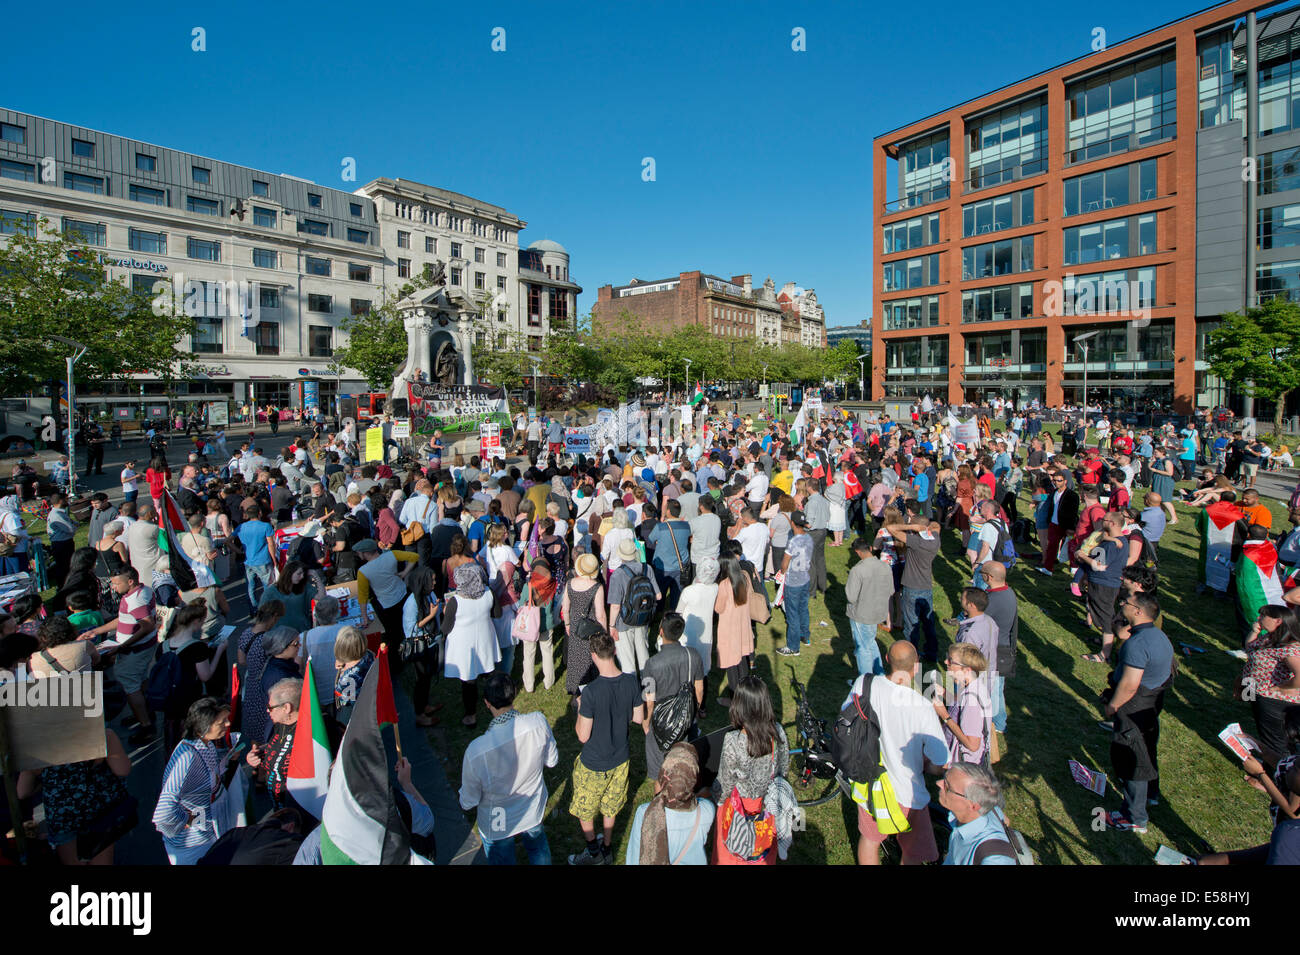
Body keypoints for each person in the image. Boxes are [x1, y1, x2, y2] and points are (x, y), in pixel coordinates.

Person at [843, 640, 948, 865]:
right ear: (916, 666)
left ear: (887, 660)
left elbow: (846, 715)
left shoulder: (865, 683)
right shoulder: (922, 707)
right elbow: (940, 762)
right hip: (907, 792)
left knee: (870, 839)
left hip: (869, 782)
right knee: (913, 852)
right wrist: (926, 765)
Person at [459, 672, 559, 865]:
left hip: (498, 820)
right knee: (538, 849)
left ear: (487, 703)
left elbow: (468, 801)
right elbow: (552, 760)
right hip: (532, 808)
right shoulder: (538, 722)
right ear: (514, 693)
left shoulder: (476, 751)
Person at [569, 628, 644, 865]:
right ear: (614, 651)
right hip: (620, 757)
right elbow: (639, 719)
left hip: (593, 762)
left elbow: (582, 735)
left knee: (585, 808)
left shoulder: (590, 693)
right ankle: (608, 847)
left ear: (593, 656)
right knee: (611, 806)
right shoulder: (631, 682)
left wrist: (581, 708)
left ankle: (593, 853)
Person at [1104, 591, 1175, 835]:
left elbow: (1130, 684)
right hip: (1151, 703)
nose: (1122, 603)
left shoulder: (1137, 644)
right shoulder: (1158, 636)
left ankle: (1134, 817)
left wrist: (1113, 705)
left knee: (1132, 758)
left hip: (1134, 704)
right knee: (1146, 749)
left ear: (1138, 611)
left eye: (1127, 603)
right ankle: (1151, 795)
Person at [16, 727, 133, 865]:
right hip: (99, 813)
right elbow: (123, 770)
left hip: (63, 820)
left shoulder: (38, 748)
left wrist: (47, 778)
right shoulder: (102, 735)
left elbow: (22, 792)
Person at [153, 697, 249, 865]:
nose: (228, 724)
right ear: (205, 726)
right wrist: (192, 820)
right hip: (191, 845)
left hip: (207, 835)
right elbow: (163, 814)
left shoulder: (204, 744)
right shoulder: (187, 759)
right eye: (222, 722)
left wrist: (227, 759)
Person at [712, 674, 788, 865]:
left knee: (731, 853)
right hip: (768, 805)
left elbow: (725, 784)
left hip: (738, 806)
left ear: (738, 706)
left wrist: (715, 798)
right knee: (763, 852)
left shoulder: (733, 740)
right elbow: (783, 770)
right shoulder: (778, 731)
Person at [625, 742, 713, 865]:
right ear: (694, 778)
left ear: (663, 775)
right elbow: (695, 799)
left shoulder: (645, 812)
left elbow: (634, 857)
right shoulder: (707, 810)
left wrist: (658, 794)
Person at [641, 613, 705, 781]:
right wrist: (694, 711)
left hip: (660, 724)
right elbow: (699, 690)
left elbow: (649, 701)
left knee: (659, 774)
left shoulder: (651, 664)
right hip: (687, 720)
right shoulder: (694, 655)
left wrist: (646, 723)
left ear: (661, 631)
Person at [443, 561, 500, 728]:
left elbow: (445, 628)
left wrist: (445, 613)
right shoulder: (488, 593)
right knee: (489, 672)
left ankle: (471, 715)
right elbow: (497, 613)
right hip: (484, 638)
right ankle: (494, 703)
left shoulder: (455, 601)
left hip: (463, 645)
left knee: (468, 680)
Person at [1240, 605, 1300, 756]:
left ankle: (1276, 773)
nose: (1258, 618)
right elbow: (1250, 649)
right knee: (1261, 725)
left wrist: (1281, 688)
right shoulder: (1270, 637)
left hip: (1273, 700)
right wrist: (1255, 631)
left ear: (1278, 621)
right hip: (1254, 688)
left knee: (1275, 740)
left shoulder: (1289, 647)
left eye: (1263, 616)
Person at [939, 763, 1018, 865]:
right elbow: (1006, 820)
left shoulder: (995, 860)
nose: (939, 783)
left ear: (974, 805)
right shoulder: (990, 809)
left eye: (947, 787)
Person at [607, 537, 660, 676]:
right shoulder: (647, 568)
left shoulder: (617, 575)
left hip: (623, 622)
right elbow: (659, 596)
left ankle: (632, 693)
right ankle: (648, 689)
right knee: (644, 655)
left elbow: (615, 606)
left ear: (620, 554)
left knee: (627, 661)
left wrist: (611, 626)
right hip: (643, 618)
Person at [934, 643, 994, 765]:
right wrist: (945, 693)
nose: (946, 662)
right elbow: (961, 704)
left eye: (951, 661)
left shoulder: (973, 702)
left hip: (964, 767)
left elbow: (972, 745)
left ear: (966, 670)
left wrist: (944, 715)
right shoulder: (975, 686)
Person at [354, 539, 420, 650]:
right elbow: (414, 557)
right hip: (404, 596)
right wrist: (404, 573)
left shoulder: (363, 571)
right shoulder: (391, 555)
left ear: (364, 553)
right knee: (410, 625)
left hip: (387, 605)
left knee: (394, 634)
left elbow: (363, 596)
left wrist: (365, 617)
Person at [844, 535, 892, 676]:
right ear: (870, 548)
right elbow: (890, 591)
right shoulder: (885, 566)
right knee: (871, 642)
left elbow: (851, 597)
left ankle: (866, 681)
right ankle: (879, 675)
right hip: (878, 613)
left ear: (857, 552)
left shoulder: (857, 570)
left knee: (862, 648)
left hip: (861, 615)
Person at [562, 552, 607, 698]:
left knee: (575, 657)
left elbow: (565, 608)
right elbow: (600, 614)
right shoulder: (597, 587)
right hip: (591, 627)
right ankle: (591, 687)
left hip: (575, 624)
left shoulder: (570, 584)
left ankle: (576, 689)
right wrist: (604, 633)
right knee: (590, 657)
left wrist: (567, 624)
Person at [519, 557, 559, 693]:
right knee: (547, 652)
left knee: (528, 655)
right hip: (546, 624)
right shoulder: (552, 584)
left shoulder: (528, 586)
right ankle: (549, 682)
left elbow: (521, 605)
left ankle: (529, 685)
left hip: (530, 625)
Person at [777, 512, 813, 656]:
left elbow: (785, 562)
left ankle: (793, 646)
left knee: (792, 614)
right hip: (805, 577)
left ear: (792, 524)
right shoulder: (809, 538)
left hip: (793, 581)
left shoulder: (792, 542)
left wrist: (782, 571)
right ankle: (805, 636)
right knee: (803, 608)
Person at [234, 504, 276, 609]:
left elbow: (228, 540)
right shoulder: (266, 526)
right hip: (263, 559)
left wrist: (239, 551)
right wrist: (274, 559)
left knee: (251, 585)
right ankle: (267, 606)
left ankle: (253, 606)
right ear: (259, 513)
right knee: (267, 584)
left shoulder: (241, 527)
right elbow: (271, 544)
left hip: (248, 561)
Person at [259, 559, 316, 633]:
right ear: (289, 573)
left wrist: (316, 576)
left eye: (303, 574)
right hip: (280, 636)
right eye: (299, 574)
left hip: (301, 633)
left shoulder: (303, 586)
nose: (302, 577)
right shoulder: (270, 592)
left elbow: (321, 596)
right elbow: (262, 615)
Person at [332, 626, 374, 727]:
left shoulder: (347, 679)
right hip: (371, 703)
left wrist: (342, 671)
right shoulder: (368, 654)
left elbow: (346, 703)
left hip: (354, 714)